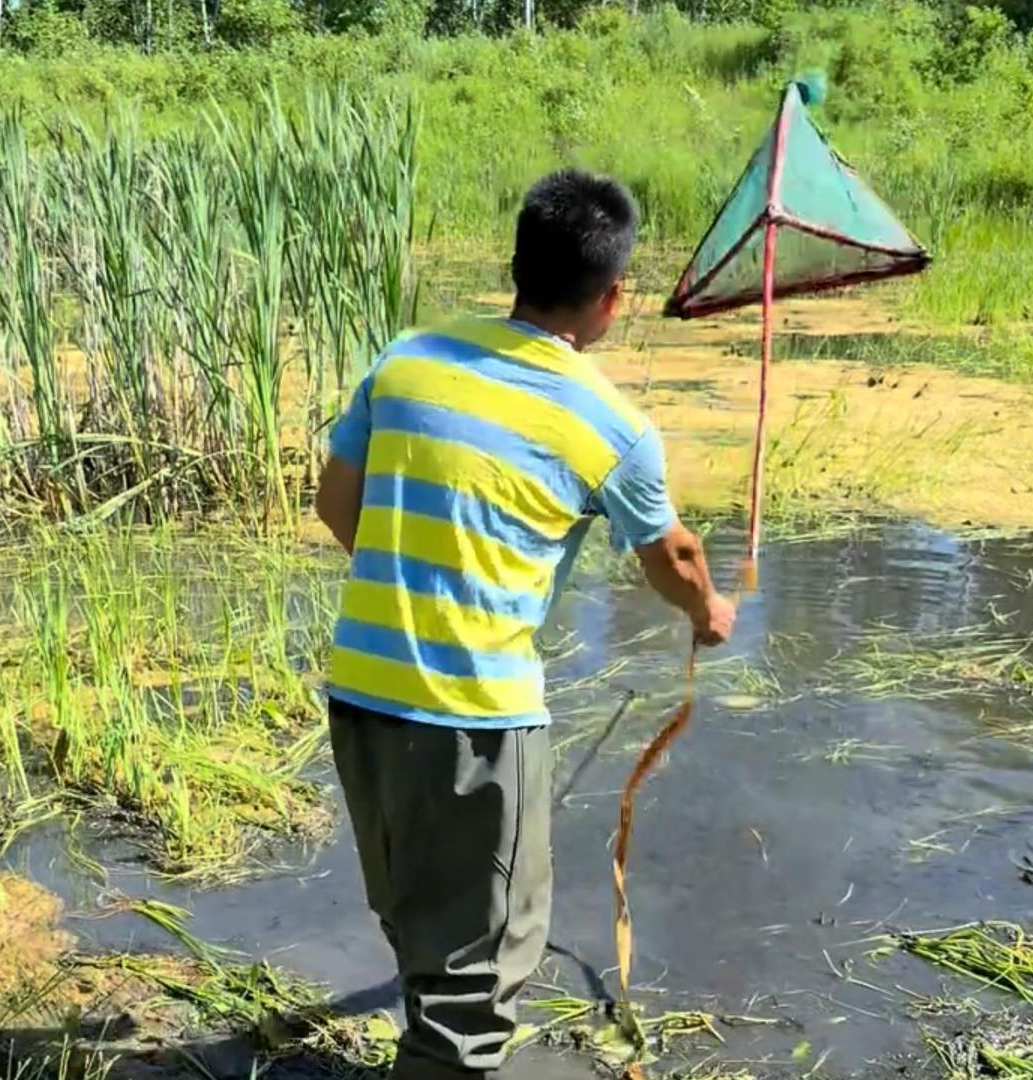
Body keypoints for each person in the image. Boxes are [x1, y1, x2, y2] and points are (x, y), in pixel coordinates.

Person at [315, 169, 736, 1079]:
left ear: (515, 263)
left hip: (359, 702)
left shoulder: (405, 360)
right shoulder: (612, 426)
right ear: (613, 296)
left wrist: (415, 580)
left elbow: (336, 505)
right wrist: (708, 612)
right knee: (482, 980)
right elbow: (673, 556)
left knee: (419, 926)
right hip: (475, 724)